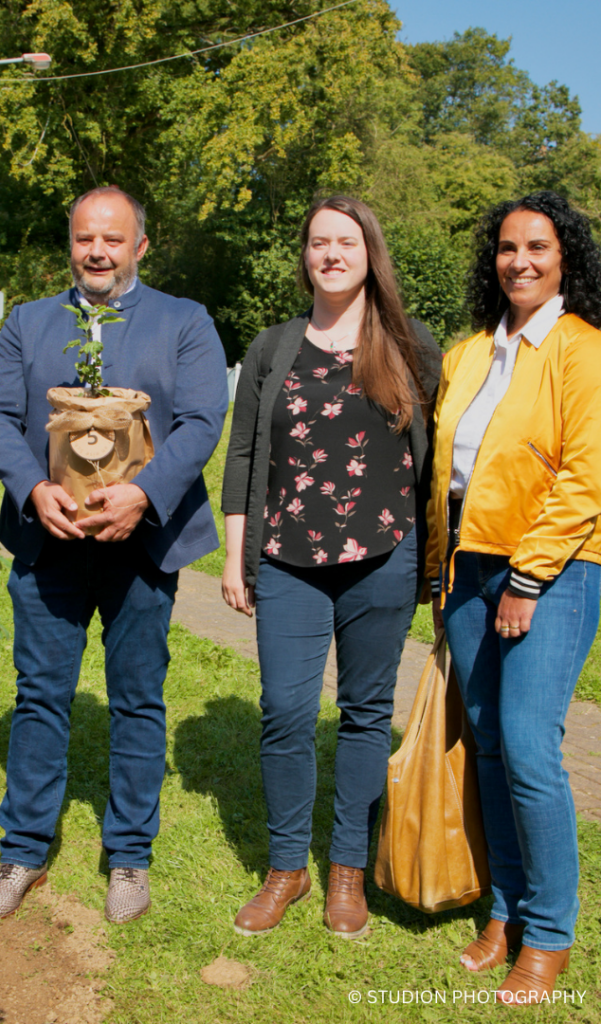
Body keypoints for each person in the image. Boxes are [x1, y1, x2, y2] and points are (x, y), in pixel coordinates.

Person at [0, 186, 228, 923]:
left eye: (113, 240)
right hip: (47, 541)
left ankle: (129, 858)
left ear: (141, 246)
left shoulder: (185, 322)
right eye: (86, 238)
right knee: (40, 696)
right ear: (71, 243)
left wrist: (143, 495)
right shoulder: (28, 322)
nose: (97, 252)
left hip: (141, 544)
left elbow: (204, 419)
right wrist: (29, 488)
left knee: (138, 700)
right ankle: (22, 851)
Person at [221, 196, 441, 939]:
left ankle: (347, 869)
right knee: (284, 711)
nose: (332, 254)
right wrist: (233, 552)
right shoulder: (273, 347)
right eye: (319, 242)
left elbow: (438, 457)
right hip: (287, 557)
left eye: (346, 241)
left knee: (364, 714)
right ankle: (287, 868)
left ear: (369, 252)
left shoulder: (411, 345)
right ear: (305, 256)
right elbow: (244, 453)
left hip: (383, 553)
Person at [426, 191, 601, 1003]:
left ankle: (551, 933)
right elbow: (446, 474)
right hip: (468, 566)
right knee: (490, 743)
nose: (519, 261)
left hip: (555, 568)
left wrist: (528, 580)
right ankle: (503, 910)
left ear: (565, 256)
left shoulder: (581, 349)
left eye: (537, 247)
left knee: (530, 749)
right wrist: (441, 570)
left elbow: (587, 476)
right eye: (506, 248)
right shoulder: (470, 353)